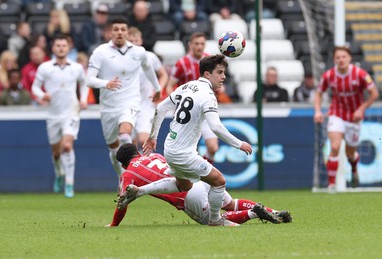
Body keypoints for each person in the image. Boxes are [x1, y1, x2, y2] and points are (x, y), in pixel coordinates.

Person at [119, 54, 253, 227]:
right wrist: (239, 144)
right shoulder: (208, 96)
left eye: (224, 73)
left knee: (184, 185)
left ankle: (139, 192)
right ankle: (215, 220)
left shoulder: (187, 86)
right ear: (207, 74)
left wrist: (152, 137)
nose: (223, 77)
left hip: (170, 148)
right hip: (184, 153)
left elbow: (160, 108)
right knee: (219, 181)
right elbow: (216, 127)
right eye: (219, 72)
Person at [107, 143, 292, 227]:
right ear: (138, 152)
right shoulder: (155, 156)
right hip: (200, 180)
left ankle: (253, 213)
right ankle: (274, 211)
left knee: (216, 221)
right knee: (231, 203)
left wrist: (114, 224)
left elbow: (122, 203)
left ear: (123, 165)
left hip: (186, 194)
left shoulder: (128, 174)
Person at [86, 18, 161, 179]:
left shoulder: (138, 52)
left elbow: (149, 69)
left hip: (130, 102)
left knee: (125, 134)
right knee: (114, 150)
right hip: (109, 107)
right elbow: (89, 79)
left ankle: (134, 175)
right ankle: (122, 177)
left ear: (127, 32)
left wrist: (158, 88)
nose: (119, 32)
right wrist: (106, 83)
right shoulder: (100, 52)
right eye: (116, 29)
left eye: (122, 29)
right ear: (110, 32)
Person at [314, 46, 379, 191]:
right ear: (334, 60)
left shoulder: (360, 74)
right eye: (338, 57)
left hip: (354, 117)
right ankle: (332, 184)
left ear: (349, 58)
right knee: (335, 147)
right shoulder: (329, 75)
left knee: (350, 153)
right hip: (337, 113)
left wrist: (361, 109)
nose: (341, 60)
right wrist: (318, 111)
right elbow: (318, 93)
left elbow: (374, 93)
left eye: (344, 57)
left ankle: (354, 169)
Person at [32, 35, 88, 198]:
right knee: (56, 153)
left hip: (71, 112)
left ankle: (69, 184)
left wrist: (83, 99)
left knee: (67, 147)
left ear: (69, 47)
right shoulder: (45, 67)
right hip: (53, 114)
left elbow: (84, 85)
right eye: (58, 45)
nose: (61, 48)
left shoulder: (76, 67)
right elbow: (35, 87)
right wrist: (42, 95)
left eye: (64, 45)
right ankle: (59, 173)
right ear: (53, 48)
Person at [164, 32, 219, 164]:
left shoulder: (210, 61)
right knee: (188, 150)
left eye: (202, 44)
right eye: (196, 44)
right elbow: (170, 86)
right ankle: (194, 177)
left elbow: (216, 82)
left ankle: (203, 172)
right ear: (190, 45)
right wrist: (177, 104)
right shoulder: (182, 63)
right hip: (189, 113)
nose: (199, 47)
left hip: (206, 109)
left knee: (213, 147)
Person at [128, 27, 168, 148]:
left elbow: (163, 75)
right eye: (131, 41)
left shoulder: (150, 57)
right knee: (130, 145)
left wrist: (158, 89)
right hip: (128, 104)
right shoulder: (122, 60)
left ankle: (149, 166)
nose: (134, 43)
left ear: (141, 41)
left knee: (144, 141)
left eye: (136, 40)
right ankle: (133, 167)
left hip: (146, 104)